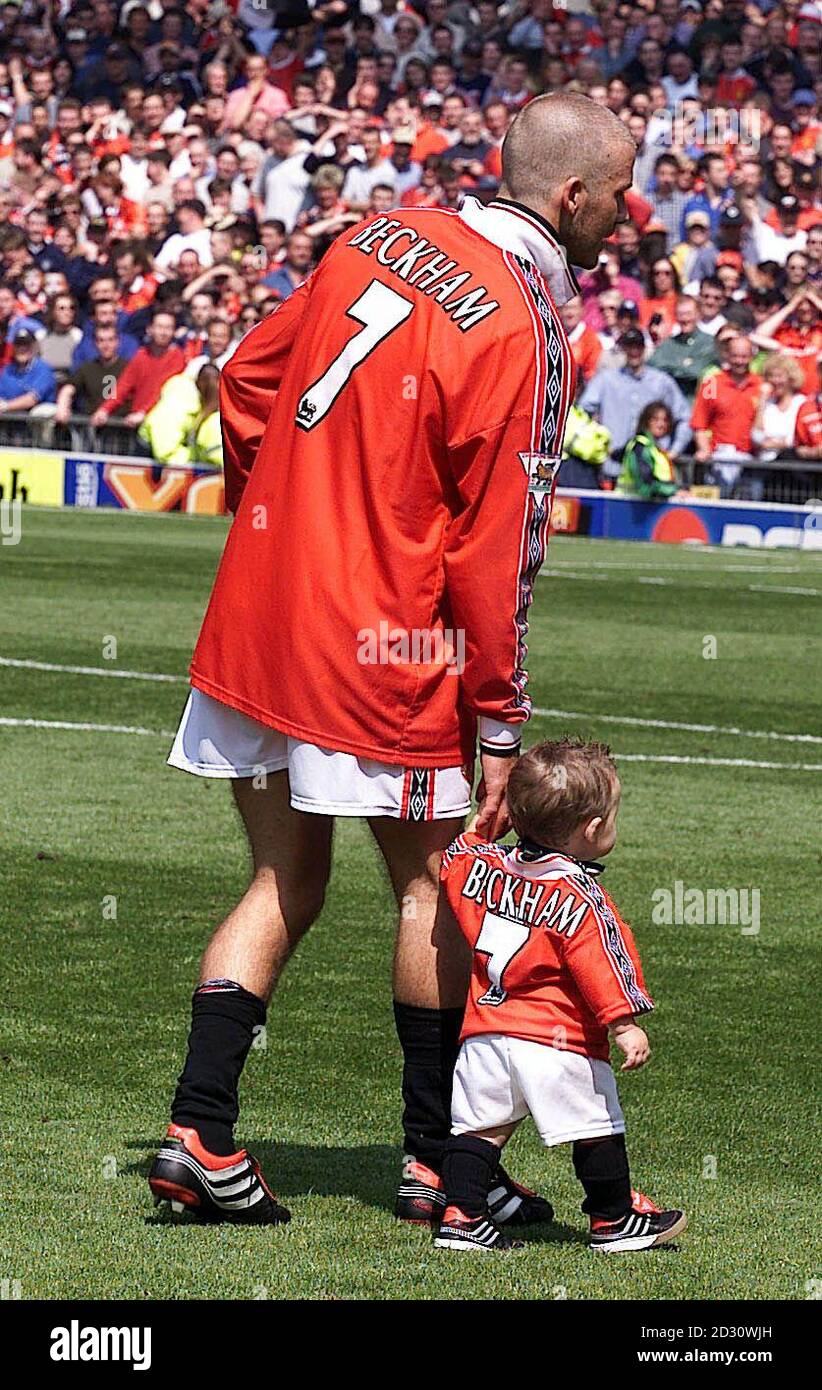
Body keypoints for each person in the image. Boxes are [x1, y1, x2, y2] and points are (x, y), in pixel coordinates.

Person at [149, 92, 638, 1228]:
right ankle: (435, 1165)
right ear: (572, 196)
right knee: (431, 891)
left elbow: (247, 381)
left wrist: (283, 518)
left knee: (282, 881)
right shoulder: (526, 321)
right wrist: (503, 726)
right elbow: (497, 550)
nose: (630, 214)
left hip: (262, 614)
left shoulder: (375, 232)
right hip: (385, 644)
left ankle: (196, 1133)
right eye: (620, 194)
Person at [434, 738, 686, 1253]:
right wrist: (623, 1022)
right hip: (557, 1039)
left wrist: (485, 828)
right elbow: (602, 962)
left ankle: (461, 1218)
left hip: (485, 1034)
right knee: (597, 1127)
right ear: (593, 830)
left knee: (479, 1130)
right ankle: (613, 1219)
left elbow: (456, 856)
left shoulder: (484, 869)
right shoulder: (579, 894)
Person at [579, 327, 691, 480]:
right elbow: (582, 412)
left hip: (652, 471)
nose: (634, 351)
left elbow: (684, 417)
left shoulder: (661, 382)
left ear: (644, 348)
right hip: (613, 468)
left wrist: (674, 451)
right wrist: (595, 445)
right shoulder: (606, 380)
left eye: (638, 346)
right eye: (629, 346)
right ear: (623, 349)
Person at [691, 334, 765, 497]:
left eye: (744, 356)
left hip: (751, 462)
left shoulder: (761, 385)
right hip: (718, 459)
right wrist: (704, 450)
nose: (739, 361)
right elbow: (699, 423)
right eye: (735, 356)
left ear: (752, 356)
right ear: (727, 355)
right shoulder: (712, 383)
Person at [138, 363, 223, 468]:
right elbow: (165, 452)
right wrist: (195, 459)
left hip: (172, 454)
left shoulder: (194, 401)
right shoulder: (177, 407)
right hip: (149, 458)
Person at [617, 401, 681, 500]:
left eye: (665, 420)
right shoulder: (640, 446)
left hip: (649, 508)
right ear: (646, 421)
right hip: (629, 507)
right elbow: (646, 485)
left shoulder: (655, 448)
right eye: (655, 419)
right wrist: (673, 491)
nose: (661, 424)